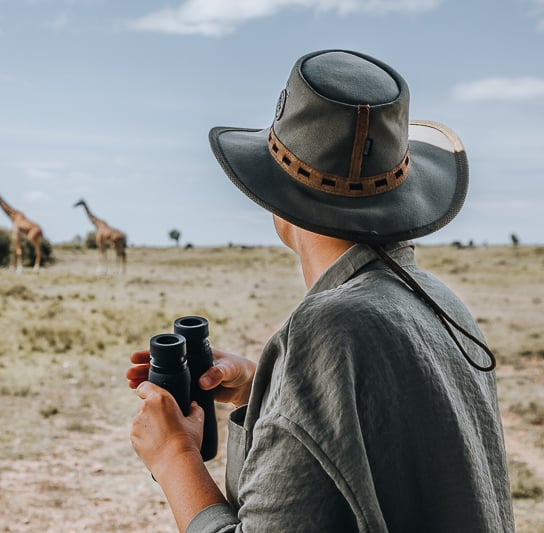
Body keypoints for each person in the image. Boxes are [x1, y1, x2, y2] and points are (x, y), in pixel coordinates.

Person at [126, 49, 514, 532]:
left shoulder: (326, 329)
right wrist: (263, 390)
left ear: (276, 196)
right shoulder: (442, 303)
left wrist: (174, 456)